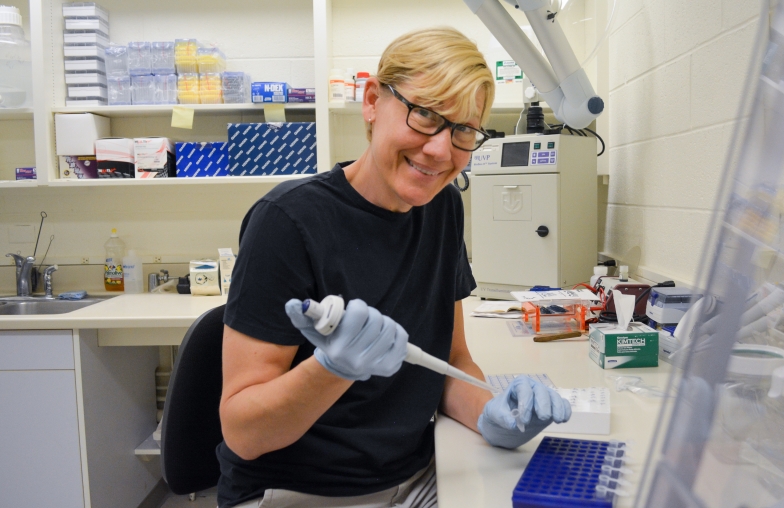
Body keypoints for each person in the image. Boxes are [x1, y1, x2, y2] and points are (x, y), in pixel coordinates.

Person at [218, 26, 571, 508]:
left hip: (417, 479)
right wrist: (333, 369)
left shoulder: (443, 208)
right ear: (371, 102)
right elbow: (243, 432)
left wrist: (494, 417)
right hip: (301, 491)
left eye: (464, 130)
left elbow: (451, 363)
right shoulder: (288, 222)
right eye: (425, 114)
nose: (441, 151)